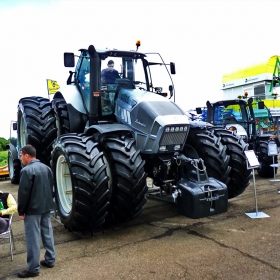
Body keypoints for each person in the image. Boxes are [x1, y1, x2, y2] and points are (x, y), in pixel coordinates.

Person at [17, 145, 56, 278]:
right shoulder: (47, 168)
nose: (21, 159)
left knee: (33, 238)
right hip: (46, 207)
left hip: (33, 210)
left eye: (21, 156)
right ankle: (50, 260)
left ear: (26, 155)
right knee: (47, 233)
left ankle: (33, 269)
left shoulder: (26, 171)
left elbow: (23, 193)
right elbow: (51, 188)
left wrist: (21, 211)